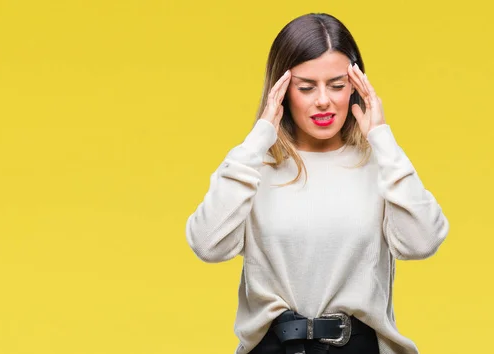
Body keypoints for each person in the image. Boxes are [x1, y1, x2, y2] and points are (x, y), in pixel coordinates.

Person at [185, 12, 449, 354]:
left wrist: (383, 140)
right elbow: (207, 245)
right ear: (281, 91)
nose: (323, 100)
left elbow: (422, 242)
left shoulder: (380, 165)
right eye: (306, 87)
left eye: (337, 85)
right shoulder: (253, 167)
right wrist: (258, 139)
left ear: (356, 86)